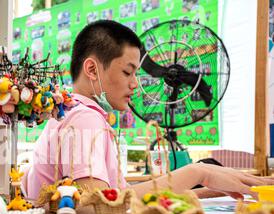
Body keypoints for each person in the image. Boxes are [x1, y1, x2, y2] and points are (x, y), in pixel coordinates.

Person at [22, 20, 274, 201]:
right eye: (127, 72)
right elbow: (98, 205)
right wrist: (199, 171)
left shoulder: (69, 112)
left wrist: (211, 187)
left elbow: (122, 198)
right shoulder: (84, 120)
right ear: (92, 69)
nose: (135, 84)